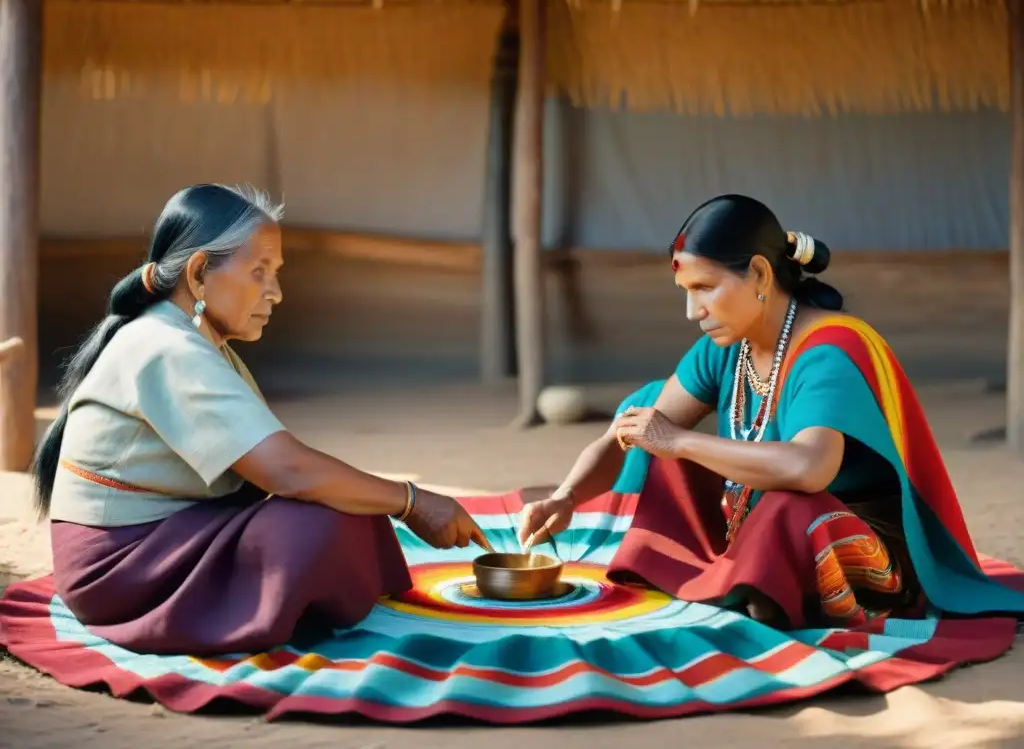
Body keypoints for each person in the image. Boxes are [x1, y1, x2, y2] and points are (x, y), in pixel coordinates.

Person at [518, 193, 1024, 629]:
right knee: (653, 421)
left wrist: (679, 440)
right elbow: (631, 431)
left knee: (783, 501)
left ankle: (753, 585)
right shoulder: (727, 346)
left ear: (759, 273)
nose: (693, 312)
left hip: (855, 549)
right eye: (686, 292)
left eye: (704, 289)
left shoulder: (830, 350)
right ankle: (735, 577)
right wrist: (564, 498)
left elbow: (809, 467)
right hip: (756, 529)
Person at [34, 183, 490, 656]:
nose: (274, 292)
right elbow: (285, 470)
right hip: (119, 571)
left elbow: (283, 470)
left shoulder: (193, 343)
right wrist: (413, 501)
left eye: (275, 273)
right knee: (322, 523)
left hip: (167, 538)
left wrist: (391, 501)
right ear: (198, 273)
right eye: (259, 272)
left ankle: (293, 598)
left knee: (345, 504)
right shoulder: (166, 348)